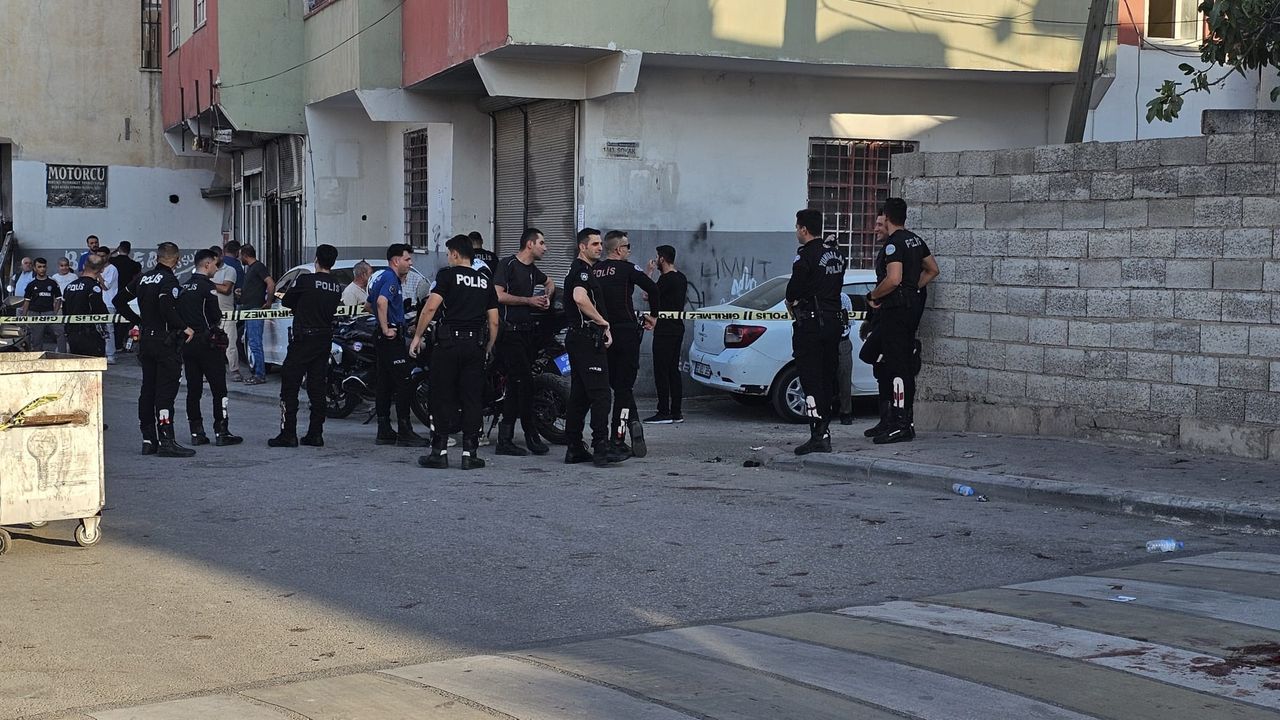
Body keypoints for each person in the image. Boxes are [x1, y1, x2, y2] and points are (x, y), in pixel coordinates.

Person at [409, 235, 499, 470]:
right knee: (472, 399)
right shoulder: (485, 281)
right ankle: (470, 454)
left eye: (449, 254)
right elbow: (494, 321)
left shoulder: (447, 276)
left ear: (456, 254)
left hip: (448, 345)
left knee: (441, 397)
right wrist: (488, 346)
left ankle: (439, 452)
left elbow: (430, 307)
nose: (448, 258)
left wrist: (417, 336)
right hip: (475, 346)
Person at [114, 242, 196, 458]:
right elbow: (166, 306)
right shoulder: (169, 280)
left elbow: (118, 300)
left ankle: (148, 439)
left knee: (147, 390)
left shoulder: (143, 278)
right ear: (176, 260)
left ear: (157, 258)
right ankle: (167, 440)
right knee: (165, 392)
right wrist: (183, 327)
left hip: (146, 341)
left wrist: (138, 321)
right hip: (165, 341)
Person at [864, 198, 932, 445]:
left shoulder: (894, 244)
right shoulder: (915, 240)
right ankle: (894, 421)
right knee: (891, 364)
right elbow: (932, 269)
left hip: (896, 312)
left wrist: (873, 296)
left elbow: (893, 279)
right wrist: (913, 288)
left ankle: (901, 424)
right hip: (909, 311)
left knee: (898, 369)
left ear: (888, 217)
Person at [269, 245, 344, 448]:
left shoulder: (306, 280)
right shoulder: (336, 285)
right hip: (323, 339)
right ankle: (315, 433)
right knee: (317, 387)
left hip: (304, 338)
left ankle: (288, 433)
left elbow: (287, 301)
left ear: (316, 259)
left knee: (290, 385)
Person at [562, 228, 626, 467]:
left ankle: (574, 447)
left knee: (580, 395)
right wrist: (602, 321)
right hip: (586, 339)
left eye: (600, 244)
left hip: (580, 338)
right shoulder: (581, 271)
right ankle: (601, 447)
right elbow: (580, 297)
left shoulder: (584, 270)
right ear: (582, 247)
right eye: (595, 244)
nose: (600, 248)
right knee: (601, 395)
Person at [786, 209, 847, 455]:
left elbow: (792, 292)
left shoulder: (805, 257)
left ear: (803, 229)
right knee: (826, 378)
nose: (796, 231)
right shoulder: (837, 254)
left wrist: (794, 303)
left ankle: (818, 435)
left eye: (797, 227)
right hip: (833, 322)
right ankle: (824, 431)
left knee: (810, 379)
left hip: (811, 325)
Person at [592, 230, 658, 458]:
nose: (629, 250)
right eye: (628, 246)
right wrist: (654, 316)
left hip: (602, 334)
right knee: (624, 388)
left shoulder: (594, 270)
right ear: (619, 249)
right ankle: (618, 437)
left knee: (612, 385)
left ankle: (633, 422)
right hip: (625, 334)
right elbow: (653, 288)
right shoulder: (628, 268)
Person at [492, 228, 555, 456]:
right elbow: (498, 294)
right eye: (542, 243)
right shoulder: (507, 265)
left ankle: (505, 438)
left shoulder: (533, 270)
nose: (545, 248)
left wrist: (546, 297)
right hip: (509, 333)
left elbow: (550, 282)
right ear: (530, 244)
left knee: (517, 386)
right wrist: (528, 301)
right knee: (525, 383)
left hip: (528, 333)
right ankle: (530, 434)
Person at [177, 250, 243, 447]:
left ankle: (196, 432)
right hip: (207, 343)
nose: (216, 268)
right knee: (218, 388)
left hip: (188, 343)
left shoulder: (184, 286)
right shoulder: (208, 287)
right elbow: (215, 316)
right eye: (215, 264)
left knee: (193, 389)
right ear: (206, 264)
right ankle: (221, 431)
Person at [369, 243, 429, 447]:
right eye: (407, 259)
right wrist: (387, 328)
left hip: (385, 337)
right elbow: (381, 302)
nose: (410, 263)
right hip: (390, 338)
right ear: (396, 261)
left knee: (385, 384)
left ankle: (384, 429)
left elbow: (369, 304)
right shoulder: (390, 279)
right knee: (405, 382)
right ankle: (405, 430)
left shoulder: (379, 277)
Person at [644, 245, 688, 425]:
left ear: (662, 259)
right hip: (677, 328)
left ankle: (663, 412)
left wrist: (648, 272)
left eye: (657, 257)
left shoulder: (666, 279)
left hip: (665, 330)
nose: (655, 260)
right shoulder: (681, 278)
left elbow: (647, 294)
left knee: (661, 371)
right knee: (673, 371)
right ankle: (676, 412)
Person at [237, 244, 274, 384]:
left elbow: (270, 283)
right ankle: (258, 373)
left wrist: (268, 302)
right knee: (252, 342)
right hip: (249, 310)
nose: (239, 258)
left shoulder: (258, 267)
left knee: (255, 343)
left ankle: (259, 374)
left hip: (255, 311)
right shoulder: (251, 269)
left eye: (240, 255)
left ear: (245, 255)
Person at [61, 253, 110, 357]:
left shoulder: (69, 286)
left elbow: (65, 310)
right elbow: (99, 310)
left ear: (84, 266)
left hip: (72, 333)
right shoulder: (93, 287)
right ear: (101, 270)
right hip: (91, 334)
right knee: (94, 364)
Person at [209, 246, 240, 381]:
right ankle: (209, 371)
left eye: (217, 257)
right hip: (210, 312)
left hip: (227, 312)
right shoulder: (208, 269)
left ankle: (234, 370)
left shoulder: (230, 270)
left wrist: (208, 283)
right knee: (210, 343)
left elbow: (226, 289)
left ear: (221, 255)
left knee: (230, 343)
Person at [23, 258, 63, 352]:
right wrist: (24, 317)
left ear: (46, 267)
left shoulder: (52, 282)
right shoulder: (31, 284)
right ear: (35, 268)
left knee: (61, 332)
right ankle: (37, 358)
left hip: (49, 312)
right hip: (34, 314)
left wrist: (54, 313)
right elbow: (27, 301)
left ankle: (63, 355)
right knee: (36, 339)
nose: (42, 269)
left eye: (44, 267)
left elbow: (59, 298)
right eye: (39, 267)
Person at [109, 242, 142, 352]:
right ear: (129, 250)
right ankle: (121, 344)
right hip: (128, 294)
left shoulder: (112, 261)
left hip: (112, 294)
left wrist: (113, 252)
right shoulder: (135, 265)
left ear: (119, 249)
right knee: (125, 322)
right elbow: (136, 278)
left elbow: (103, 260)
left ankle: (114, 345)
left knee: (112, 323)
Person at [93, 247, 119, 363]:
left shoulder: (112, 269)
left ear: (108, 256)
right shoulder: (95, 269)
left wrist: (98, 275)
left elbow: (106, 286)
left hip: (108, 302)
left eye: (103, 256)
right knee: (97, 329)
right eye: (98, 256)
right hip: (96, 302)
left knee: (109, 329)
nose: (100, 258)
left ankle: (110, 354)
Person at [836, 289, 854, 425]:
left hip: (842, 341)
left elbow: (848, 323)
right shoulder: (817, 296)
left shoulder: (843, 298)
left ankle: (846, 412)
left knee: (844, 378)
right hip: (824, 341)